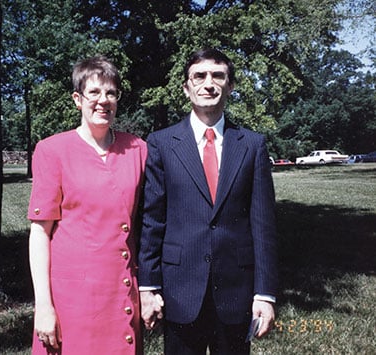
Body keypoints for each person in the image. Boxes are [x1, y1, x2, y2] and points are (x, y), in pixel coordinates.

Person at [138, 48, 278, 354]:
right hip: (179, 291)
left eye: (218, 76)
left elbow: (263, 226)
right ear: (186, 88)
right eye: (199, 76)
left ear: (230, 85)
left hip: (236, 292)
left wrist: (265, 294)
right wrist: (148, 287)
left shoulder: (252, 145)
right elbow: (152, 219)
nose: (208, 83)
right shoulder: (162, 144)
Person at [28, 56, 147, 354]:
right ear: (77, 100)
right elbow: (40, 234)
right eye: (94, 93)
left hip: (119, 294)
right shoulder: (52, 151)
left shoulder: (138, 150)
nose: (103, 101)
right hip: (72, 302)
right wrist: (43, 305)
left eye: (110, 93)